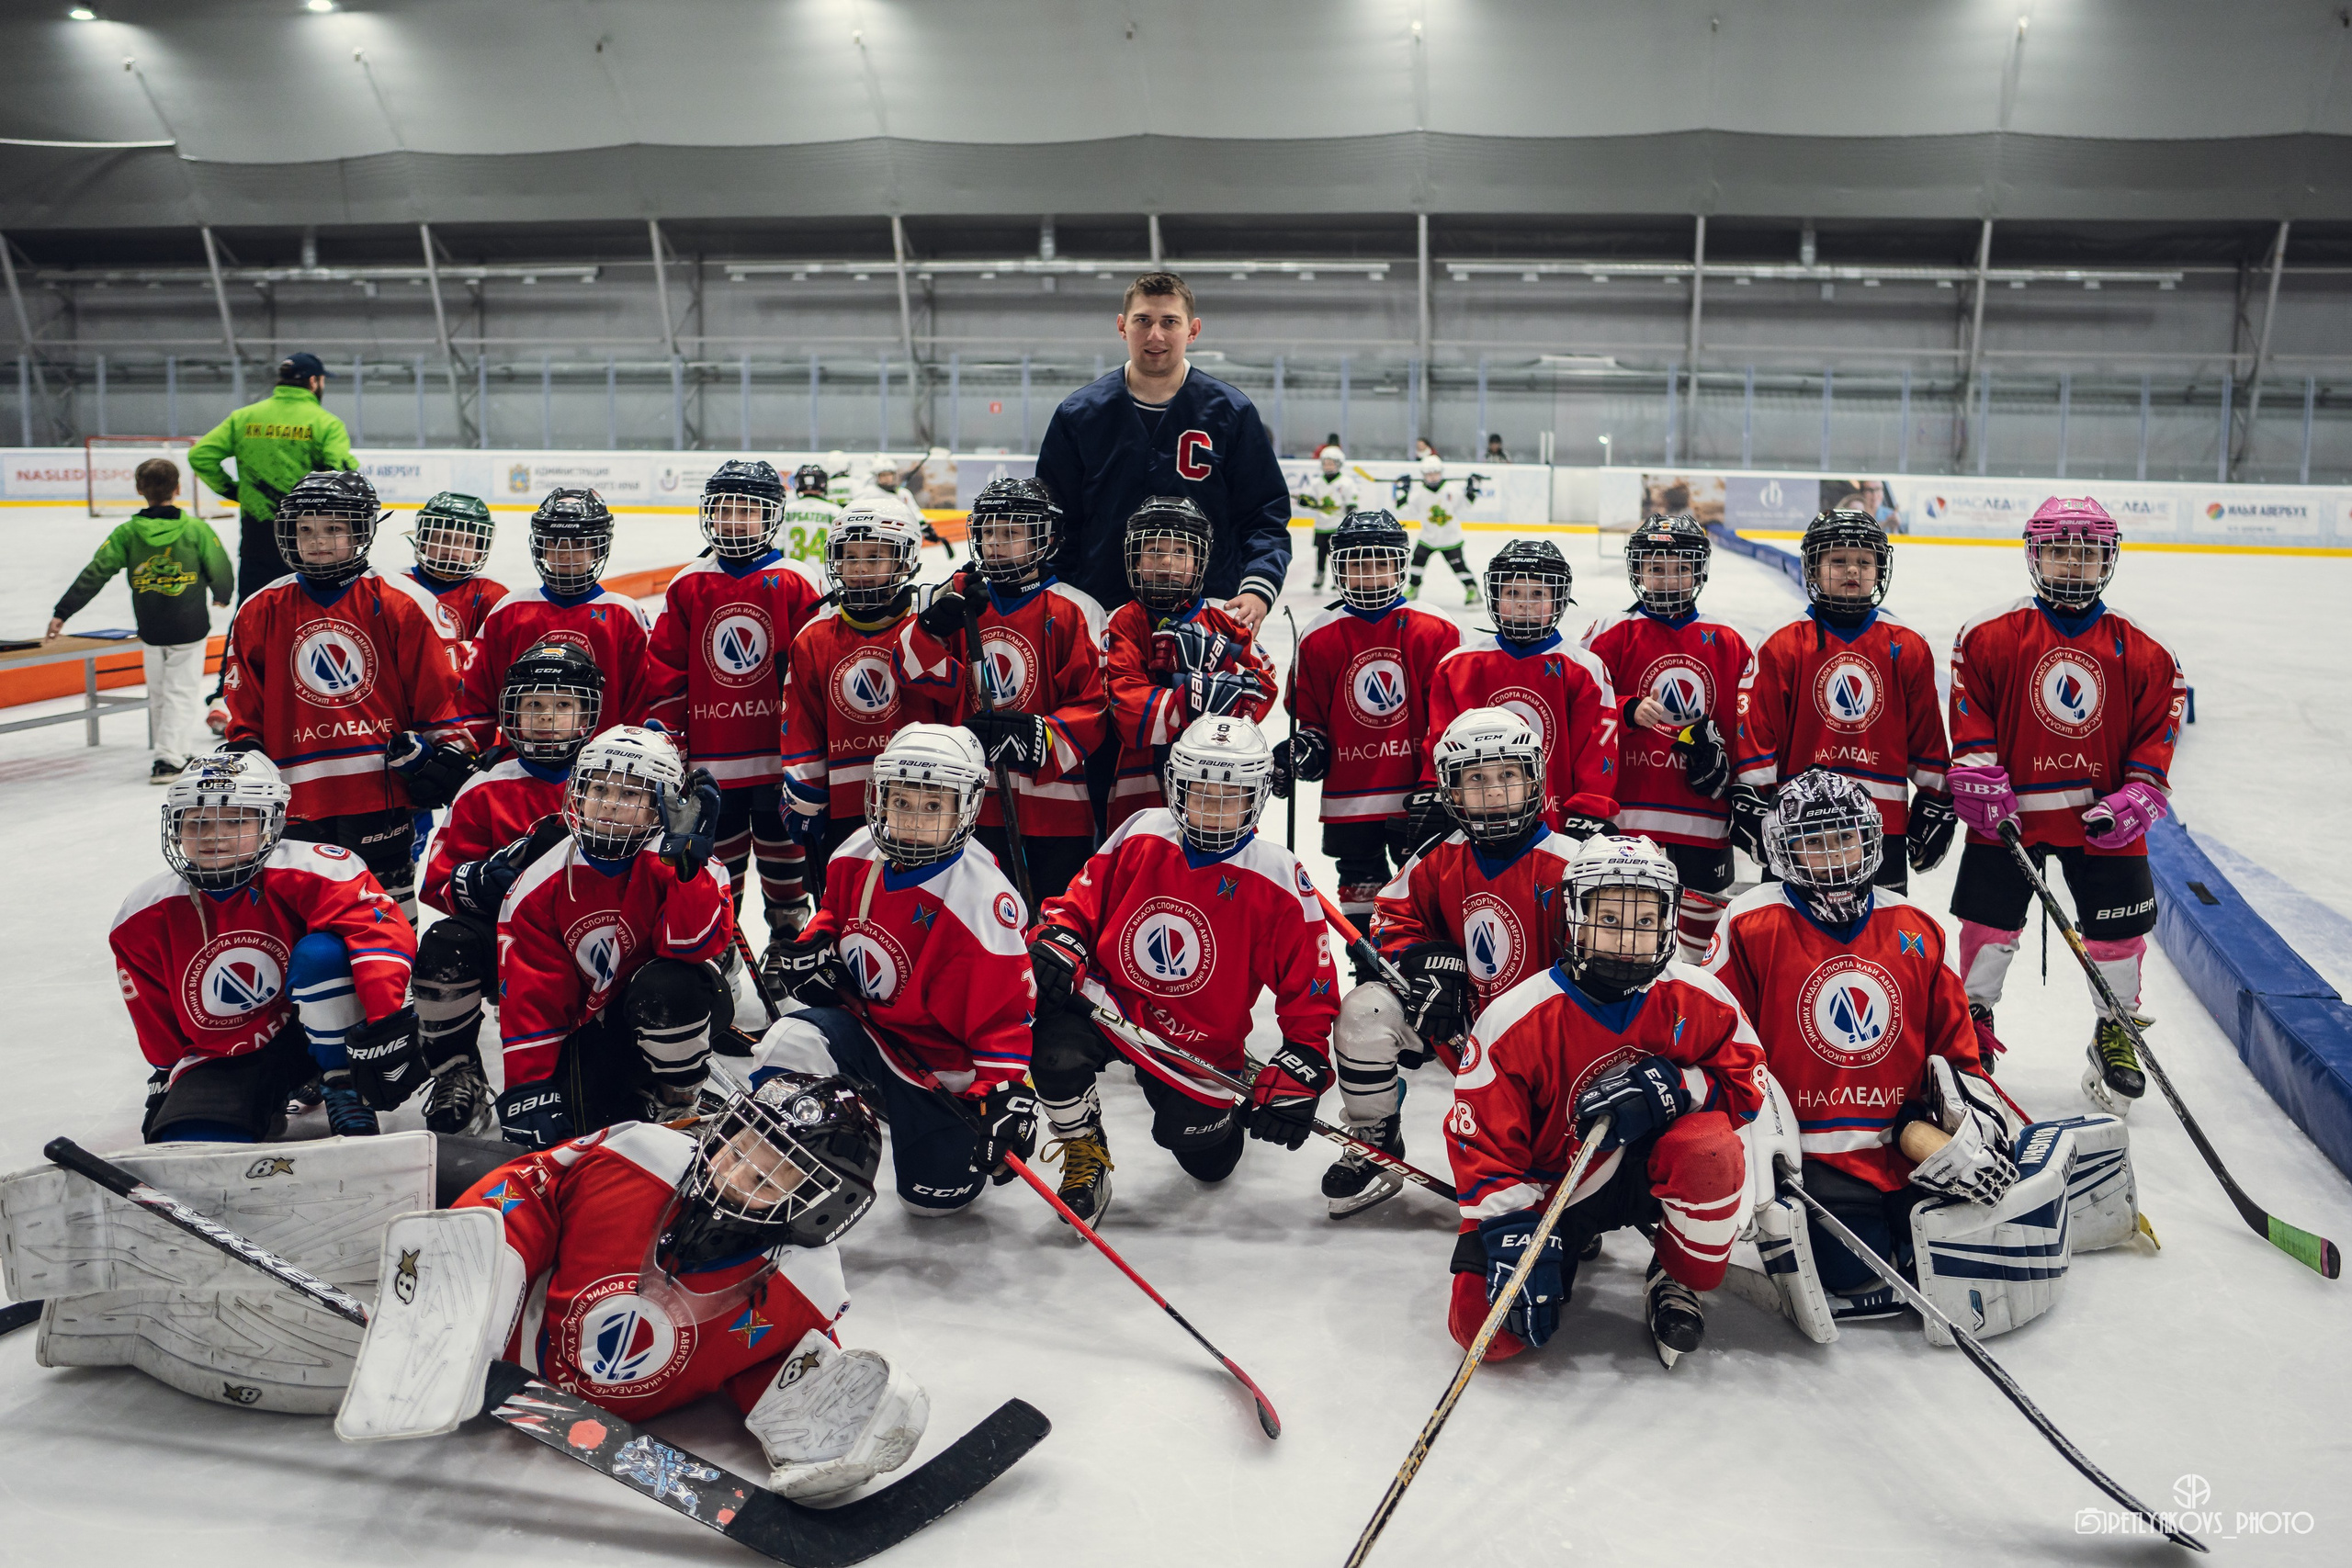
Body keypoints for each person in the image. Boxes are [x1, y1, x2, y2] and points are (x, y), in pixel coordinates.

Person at [449, 1074, 934, 1503]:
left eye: (773, 1172)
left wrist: (826, 1420)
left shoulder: (807, 1289)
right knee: (441, 1179)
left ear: (821, 1208)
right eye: (742, 1142)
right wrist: (469, 1269)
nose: (736, 1170)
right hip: (504, 1334)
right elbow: (529, 1185)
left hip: (539, 1399)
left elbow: (777, 1363)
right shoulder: (640, 1156)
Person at [1706, 769, 2018, 1317]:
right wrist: (1755, 1144)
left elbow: (1957, 1053)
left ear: (1870, 839)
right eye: (1815, 840)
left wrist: (1976, 1123)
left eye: (1844, 837)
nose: (1832, 855)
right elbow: (1718, 1040)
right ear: (1784, 848)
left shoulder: (1917, 925)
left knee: (1950, 1258)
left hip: (1906, 1149)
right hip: (1811, 1161)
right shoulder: (1751, 922)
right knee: (1862, 1277)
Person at [1447, 835, 1763, 1367]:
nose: (1626, 940)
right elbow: (1479, 1139)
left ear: (1667, 920)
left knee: (1710, 1150)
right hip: (1556, 1186)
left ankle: (1676, 1270)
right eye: (1609, 920)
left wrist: (1679, 1088)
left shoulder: (1698, 996)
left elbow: (1748, 1082)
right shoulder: (1517, 1016)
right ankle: (1563, 1241)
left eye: (1644, 922)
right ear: (1574, 917)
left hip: (1646, 1174)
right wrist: (1508, 1228)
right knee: (1485, 1334)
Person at [1025, 716, 1340, 1224]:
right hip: (1111, 1004)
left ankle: (1230, 1099)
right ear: (1177, 788)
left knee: (1208, 1164)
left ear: (1257, 795)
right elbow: (1081, 901)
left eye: (1231, 795)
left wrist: (1304, 1058)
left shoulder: (1278, 875)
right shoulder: (1143, 831)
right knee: (1054, 1049)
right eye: (1201, 791)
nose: (1214, 809)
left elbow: (1313, 983)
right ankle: (1085, 1153)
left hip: (1196, 1042)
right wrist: (1060, 937)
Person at [1945, 497, 2186, 1111]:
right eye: (2060, 551)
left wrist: (2140, 790)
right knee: (1988, 922)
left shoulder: (2147, 648)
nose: (2073, 565)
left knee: (2120, 931)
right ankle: (1975, 1016)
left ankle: (2115, 1024)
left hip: (2101, 819)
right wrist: (1977, 775)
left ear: (2108, 558)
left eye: (2087, 553)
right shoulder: (1989, 634)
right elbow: (1970, 717)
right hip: (2010, 818)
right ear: (2035, 555)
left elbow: (2160, 726)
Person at [754, 725, 1039, 1218]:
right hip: (869, 1034)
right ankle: (773, 1174)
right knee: (787, 1041)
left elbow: (1005, 1020)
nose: (913, 822)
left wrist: (999, 1093)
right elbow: (834, 916)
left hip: (941, 1067)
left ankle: (913, 1123)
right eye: (901, 802)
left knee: (932, 1206)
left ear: (966, 808)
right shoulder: (855, 852)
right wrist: (814, 945)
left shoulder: (983, 900)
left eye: (933, 807)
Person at [1320, 707, 1577, 1217]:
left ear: (1534, 779)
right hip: (1461, 1026)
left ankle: (1569, 1183)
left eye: (1507, 775)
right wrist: (1425, 963)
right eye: (1476, 779)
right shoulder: (1440, 857)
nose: (1494, 791)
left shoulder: (1575, 864)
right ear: (1451, 792)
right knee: (1366, 1010)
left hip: (1549, 1050)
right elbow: (1390, 919)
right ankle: (1376, 1138)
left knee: (1537, 1178)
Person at [109, 751, 424, 1142]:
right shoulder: (143, 913)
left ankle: (343, 1084)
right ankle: (261, 1096)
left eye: (236, 820)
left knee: (323, 955)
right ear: (174, 827)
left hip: (326, 1028)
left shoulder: (318, 868)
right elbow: (154, 1011)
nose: (214, 836)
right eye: (198, 822)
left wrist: (386, 1025)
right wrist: (165, 1073)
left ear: (270, 824)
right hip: (233, 1049)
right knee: (190, 1139)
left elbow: (381, 937)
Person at [216, 469, 472, 921]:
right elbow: (246, 710)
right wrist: (247, 751)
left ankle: (397, 990)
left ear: (361, 531)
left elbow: (437, 703)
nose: (317, 541)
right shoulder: (259, 609)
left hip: (378, 792)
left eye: (334, 528)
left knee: (386, 909)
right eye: (305, 529)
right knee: (304, 915)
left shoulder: (403, 602)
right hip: (292, 796)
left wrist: (443, 751)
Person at [491, 726, 733, 1148]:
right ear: (577, 795)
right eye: (598, 789)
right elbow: (533, 991)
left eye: (629, 795)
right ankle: (636, 1089)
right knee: (585, 1128)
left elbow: (692, 947)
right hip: (595, 1024)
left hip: (676, 1006)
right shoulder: (539, 881)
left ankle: (681, 1095)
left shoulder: (683, 858)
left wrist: (688, 871)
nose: (608, 804)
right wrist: (528, 1087)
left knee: (667, 988)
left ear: (660, 805)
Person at [412, 641, 606, 1136]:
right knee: (445, 946)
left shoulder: (613, 780)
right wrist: (485, 879)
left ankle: (651, 1073)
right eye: (534, 705)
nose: (547, 718)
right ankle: (457, 1072)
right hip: (511, 938)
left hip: (601, 934)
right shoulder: (484, 787)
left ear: (588, 713)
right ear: (510, 711)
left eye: (563, 705)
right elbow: (439, 884)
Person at [1034, 271, 1291, 634]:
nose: (1155, 335)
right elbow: (1054, 519)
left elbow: (1264, 514)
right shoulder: (1079, 414)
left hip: (1206, 610)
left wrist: (1259, 587)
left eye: (1169, 321)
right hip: (1099, 608)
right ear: (1122, 327)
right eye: (1143, 321)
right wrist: (1056, 592)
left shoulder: (1232, 412)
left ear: (1193, 330)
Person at [646, 461, 829, 972]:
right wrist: (673, 741)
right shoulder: (688, 584)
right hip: (711, 770)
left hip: (779, 768)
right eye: (725, 510)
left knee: (785, 870)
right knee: (715, 873)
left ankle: (787, 948)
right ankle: (716, 957)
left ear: (770, 516)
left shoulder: (796, 580)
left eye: (747, 511)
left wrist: (810, 755)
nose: (734, 522)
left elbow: (812, 674)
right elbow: (666, 672)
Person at [1732, 509, 1953, 894]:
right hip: (1799, 827)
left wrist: (1936, 802)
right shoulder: (1783, 643)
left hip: (1881, 828)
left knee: (1878, 943)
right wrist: (1753, 800)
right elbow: (1758, 737)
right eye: (1838, 560)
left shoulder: (1907, 645)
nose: (1853, 571)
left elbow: (1927, 739)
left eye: (1865, 562)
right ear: (1813, 569)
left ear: (1879, 570)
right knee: (1792, 940)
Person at [1272, 508, 1460, 926]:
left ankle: (1422, 978)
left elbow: (1451, 722)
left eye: (1381, 563)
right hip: (1350, 799)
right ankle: (1368, 974)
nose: (1369, 575)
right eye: (1358, 565)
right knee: (1360, 890)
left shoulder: (1436, 629)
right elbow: (1312, 718)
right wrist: (1305, 749)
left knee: (1425, 894)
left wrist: (1436, 785)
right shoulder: (1318, 634)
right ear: (1339, 569)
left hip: (1421, 797)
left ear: (1400, 567)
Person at [1578, 513, 1753, 962]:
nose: (1668, 578)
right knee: (1625, 947)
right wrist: (1626, 709)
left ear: (1700, 570)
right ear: (1637, 570)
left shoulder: (1727, 640)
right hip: (1629, 820)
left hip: (1703, 821)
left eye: (1680, 567)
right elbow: (1579, 710)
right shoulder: (1608, 633)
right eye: (1656, 567)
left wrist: (1736, 778)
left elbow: (1747, 726)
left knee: (1698, 955)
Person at [779, 502, 966, 901]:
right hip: (845, 805)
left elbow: (956, 702)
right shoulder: (814, 637)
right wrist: (805, 793)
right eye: (849, 557)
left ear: (906, 560)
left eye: (875, 556)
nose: (860, 568)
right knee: (844, 905)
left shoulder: (931, 623)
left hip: (929, 804)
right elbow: (802, 723)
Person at [955, 476, 1111, 904]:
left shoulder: (1077, 609)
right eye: (988, 532)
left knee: (1053, 918)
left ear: (1045, 538)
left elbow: (1096, 705)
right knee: (980, 917)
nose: (996, 544)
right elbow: (924, 684)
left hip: (1057, 805)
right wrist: (933, 626)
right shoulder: (958, 604)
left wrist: (1035, 737)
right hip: (973, 799)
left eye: (1012, 532)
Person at [1411, 538, 1620, 853]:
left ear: (1559, 599)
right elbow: (1441, 738)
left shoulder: (1584, 668)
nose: (1525, 603)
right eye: (1512, 593)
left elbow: (1597, 746)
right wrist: (1433, 790)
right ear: (1494, 597)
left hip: (1556, 824)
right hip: (1477, 817)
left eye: (1538, 593)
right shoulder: (1458, 665)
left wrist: (1589, 809)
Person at [46, 457, 233, 783]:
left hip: (150, 626)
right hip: (189, 625)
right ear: (177, 489)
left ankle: (176, 748)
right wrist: (223, 593)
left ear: (138, 489)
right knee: (180, 692)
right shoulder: (196, 529)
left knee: (161, 692)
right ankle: (167, 759)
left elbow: (96, 571)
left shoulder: (127, 533)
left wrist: (63, 611)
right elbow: (220, 566)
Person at [1101, 495, 1277, 829]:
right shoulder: (1122, 621)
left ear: (1199, 562)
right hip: (1141, 781)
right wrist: (1210, 691)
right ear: (1135, 561)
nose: (1167, 562)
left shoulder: (1225, 617)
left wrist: (1218, 658)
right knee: (1142, 860)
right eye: (1153, 551)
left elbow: (1263, 686)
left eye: (1181, 552)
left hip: (1223, 781)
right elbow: (1125, 709)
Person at [455, 488, 653, 749]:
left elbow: (642, 700)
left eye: (579, 544)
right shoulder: (510, 610)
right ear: (540, 547)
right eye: (554, 542)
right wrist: (471, 750)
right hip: (520, 765)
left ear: (598, 549)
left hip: (602, 771)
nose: (565, 553)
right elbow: (477, 694)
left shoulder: (624, 614)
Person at [188, 352, 358, 607]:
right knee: (306, 608)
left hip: (257, 532)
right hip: (309, 533)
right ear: (314, 382)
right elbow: (341, 471)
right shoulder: (326, 424)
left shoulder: (244, 418)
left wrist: (235, 491)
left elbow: (200, 456)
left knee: (252, 608)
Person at [402, 491, 506, 666]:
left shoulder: (492, 595)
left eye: (467, 541)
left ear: (479, 552)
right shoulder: (395, 585)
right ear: (423, 540)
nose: (454, 548)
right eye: (444, 537)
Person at [1402, 457, 1478, 604]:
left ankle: (1472, 589)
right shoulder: (1418, 493)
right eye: (1429, 474)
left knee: (1458, 565)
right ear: (1423, 475)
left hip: (1450, 538)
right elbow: (1405, 508)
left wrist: (1472, 488)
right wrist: (1404, 490)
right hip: (1428, 537)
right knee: (1417, 561)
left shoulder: (1451, 489)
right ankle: (1414, 587)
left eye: (1435, 473)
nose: (1432, 476)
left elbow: (1467, 504)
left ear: (1441, 472)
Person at [1293, 446, 1358, 592]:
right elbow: (1309, 500)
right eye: (1325, 463)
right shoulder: (1316, 482)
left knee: (1338, 553)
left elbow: (1351, 504)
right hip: (1322, 525)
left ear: (1339, 464)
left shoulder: (1346, 482)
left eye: (1331, 463)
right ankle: (1320, 575)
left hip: (1338, 526)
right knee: (1321, 551)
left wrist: (1349, 519)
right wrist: (1304, 501)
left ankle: (1341, 577)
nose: (1327, 466)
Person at [782, 461, 842, 568]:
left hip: (793, 573)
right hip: (825, 576)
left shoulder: (785, 511)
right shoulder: (836, 511)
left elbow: (778, 547)